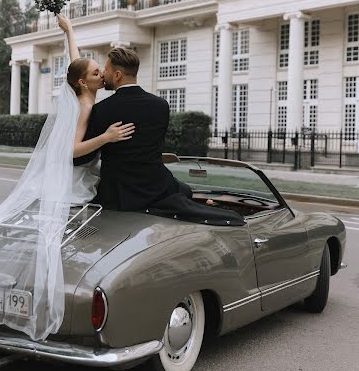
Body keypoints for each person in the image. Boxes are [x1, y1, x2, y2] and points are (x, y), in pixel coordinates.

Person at [75, 45, 244, 225]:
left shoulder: (102, 109)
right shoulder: (161, 105)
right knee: (184, 190)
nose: (103, 74)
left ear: (117, 75)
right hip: (156, 186)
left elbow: (84, 157)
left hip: (118, 193)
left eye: (106, 70)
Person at [57, 14, 135, 204]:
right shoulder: (85, 106)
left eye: (101, 70)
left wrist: (70, 30)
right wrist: (106, 137)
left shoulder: (81, 90)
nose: (102, 75)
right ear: (83, 82)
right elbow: (71, 150)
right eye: (96, 73)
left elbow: (76, 62)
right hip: (76, 178)